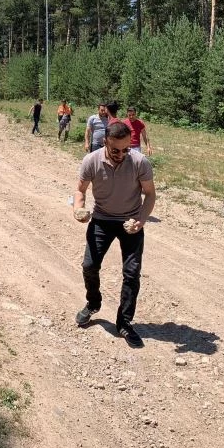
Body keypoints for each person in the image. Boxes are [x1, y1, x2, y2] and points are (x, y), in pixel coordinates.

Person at [72, 122, 156, 348]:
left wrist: (141, 220)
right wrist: (78, 209)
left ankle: (125, 322)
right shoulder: (91, 160)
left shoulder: (139, 162)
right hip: (102, 220)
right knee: (89, 265)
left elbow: (149, 195)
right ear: (104, 142)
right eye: (115, 150)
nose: (121, 154)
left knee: (132, 273)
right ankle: (93, 303)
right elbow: (80, 190)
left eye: (126, 149)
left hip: (131, 222)